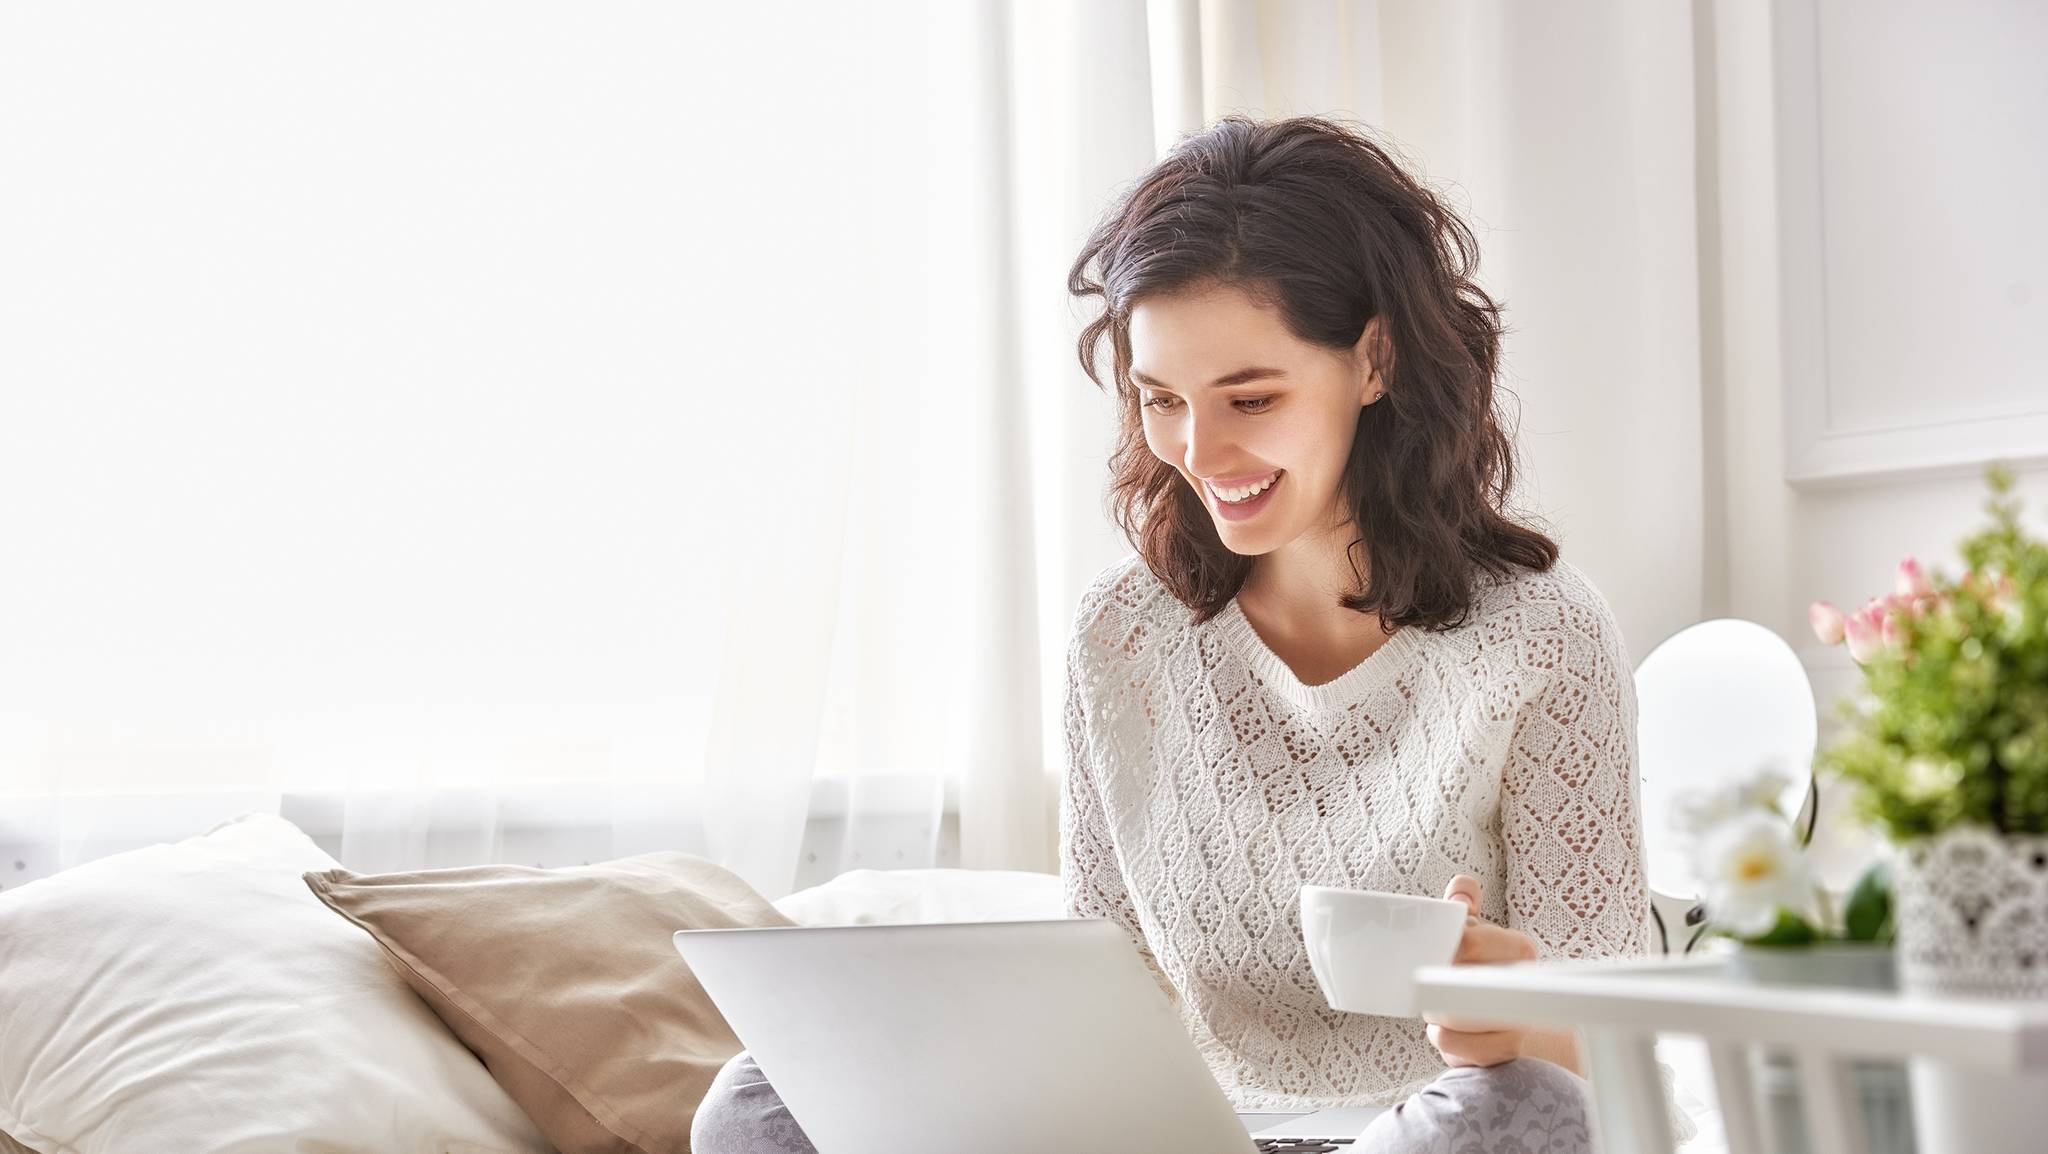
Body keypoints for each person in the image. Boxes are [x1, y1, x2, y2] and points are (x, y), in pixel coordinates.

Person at [694, 114, 1675, 1154]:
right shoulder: (1120, 633)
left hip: (1417, 1129)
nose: (1200, 451)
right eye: (1161, 399)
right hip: (1181, 1133)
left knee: (1528, 1111)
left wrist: (1511, 1010)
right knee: (758, 1096)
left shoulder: (1538, 632)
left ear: (1373, 359)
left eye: (1249, 397)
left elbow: (1606, 1054)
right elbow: (1107, 985)